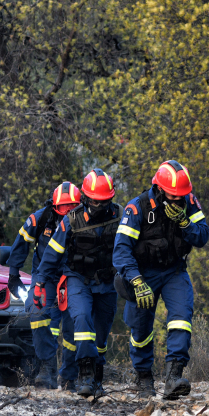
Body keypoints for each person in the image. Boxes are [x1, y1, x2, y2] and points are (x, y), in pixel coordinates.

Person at [113, 160, 209, 399]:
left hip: (174, 271)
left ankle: (173, 376)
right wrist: (135, 280)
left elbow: (202, 236)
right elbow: (121, 250)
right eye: (172, 195)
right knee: (140, 326)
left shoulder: (189, 202)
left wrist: (185, 223)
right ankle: (143, 376)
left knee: (181, 318)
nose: (178, 199)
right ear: (158, 188)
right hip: (142, 274)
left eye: (181, 196)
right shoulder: (137, 208)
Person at [37, 169, 122, 397]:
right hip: (77, 280)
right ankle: (84, 374)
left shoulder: (120, 217)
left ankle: (97, 376)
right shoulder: (70, 220)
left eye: (103, 201)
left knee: (101, 335)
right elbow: (52, 254)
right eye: (94, 200)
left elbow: (130, 250)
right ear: (85, 197)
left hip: (106, 283)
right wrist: (39, 282)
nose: (98, 205)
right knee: (82, 321)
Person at [7, 183, 81, 389]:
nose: (67, 212)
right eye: (63, 207)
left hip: (72, 276)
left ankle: (69, 374)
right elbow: (21, 243)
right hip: (44, 277)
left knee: (73, 325)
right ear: (54, 206)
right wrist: (13, 274)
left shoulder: (85, 220)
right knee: (37, 314)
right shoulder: (40, 219)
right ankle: (47, 367)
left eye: (72, 206)